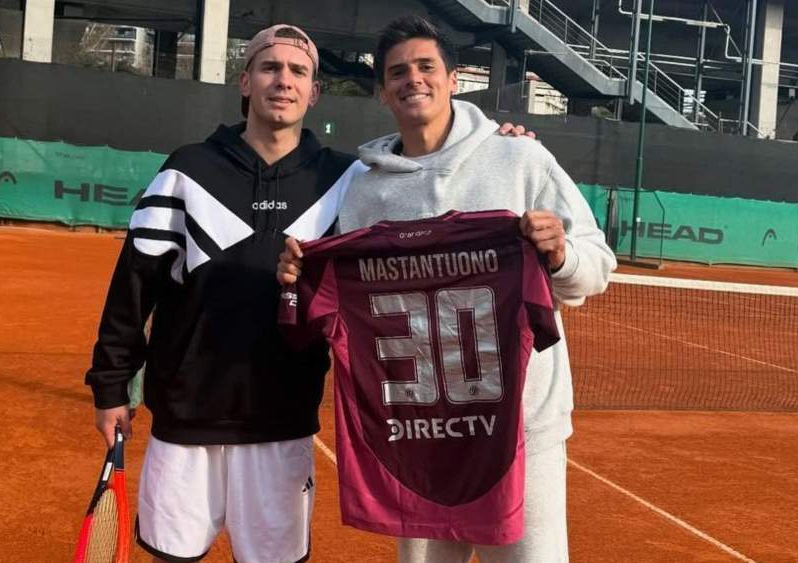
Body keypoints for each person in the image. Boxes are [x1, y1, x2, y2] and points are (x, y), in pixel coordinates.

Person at [85, 23, 535, 563]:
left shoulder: (349, 181)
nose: (284, 81)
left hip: (282, 423)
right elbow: (133, 287)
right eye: (270, 67)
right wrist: (111, 385)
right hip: (185, 420)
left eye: (298, 71)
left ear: (314, 91)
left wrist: (497, 146)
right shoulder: (186, 171)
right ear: (245, 81)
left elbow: (424, 209)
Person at [277, 15, 616, 563]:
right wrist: (299, 276)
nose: (413, 79)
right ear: (384, 91)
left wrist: (559, 254)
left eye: (426, 66)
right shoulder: (362, 191)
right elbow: (333, 291)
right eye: (398, 72)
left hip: (520, 427)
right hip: (415, 429)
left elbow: (595, 267)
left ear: (454, 79)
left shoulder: (521, 159)